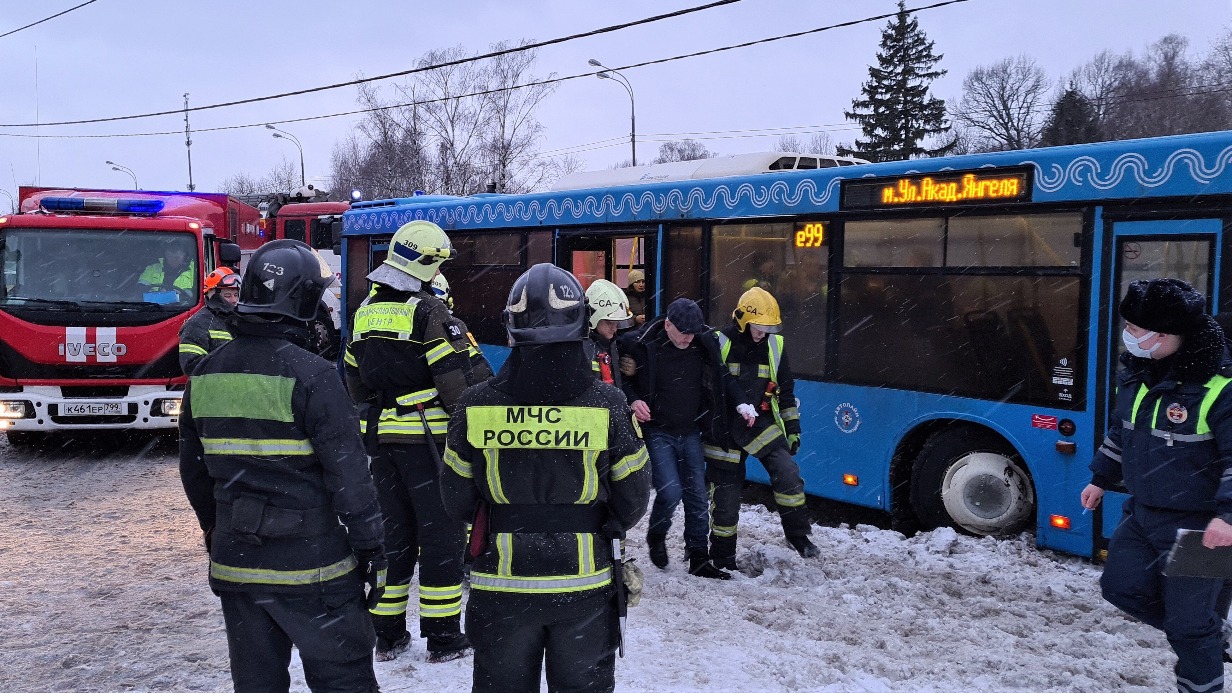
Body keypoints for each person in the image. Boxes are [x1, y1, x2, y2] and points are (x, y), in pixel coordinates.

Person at [178, 239, 386, 693]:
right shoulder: (312, 376)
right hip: (313, 566)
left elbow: (194, 471)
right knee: (343, 678)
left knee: (257, 684)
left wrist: (218, 529)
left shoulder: (205, 376)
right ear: (305, 301)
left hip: (237, 565)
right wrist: (372, 548)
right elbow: (350, 476)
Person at [440, 262, 651, 693]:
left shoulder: (473, 405)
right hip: (585, 586)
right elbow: (632, 500)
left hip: (501, 585)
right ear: (581, 325)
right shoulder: (608, 404)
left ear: (512, 330)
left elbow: (456, 500)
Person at [1080, 278, 1232, 693]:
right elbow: (1122, 432)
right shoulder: (1138, 375)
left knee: (1188, 627)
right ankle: (1205, 630)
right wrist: (1101, 477)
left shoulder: (1220, 388)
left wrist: (1228, 517)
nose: (1129, 336)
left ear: (1165, 335)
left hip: (1204, 530)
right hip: (1144, 512)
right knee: (1120, 588)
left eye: (1135, 329)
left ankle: (1201, 673)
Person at [343, 220, 485, 663]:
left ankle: (386, 634)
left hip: (384, 444)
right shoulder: (430, 311)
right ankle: (443, 637)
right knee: (441, 538)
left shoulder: (364, 311)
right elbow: (454, 386)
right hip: (430, 446)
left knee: (395, 538)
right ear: (425, 263)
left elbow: (353, 380)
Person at [620, 297, 745, 580]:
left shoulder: (702, 343)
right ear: (668, 325)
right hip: (658, 431)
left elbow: (723, 377)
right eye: (683, 332)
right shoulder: (641, 344)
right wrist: (634, 399)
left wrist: (740, 403)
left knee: (698, 496)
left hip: (690, 430)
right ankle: (657, 534)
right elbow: (618, 375)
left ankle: (699, 557)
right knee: (671, 491)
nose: (688, 338)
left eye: (693, 332)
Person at [704, 286, 817, 567]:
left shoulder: (775, 346)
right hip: (723, 428)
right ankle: (722, 556)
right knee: (726, 500)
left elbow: (787, 392)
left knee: (788, 473)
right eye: (757, 326)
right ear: (742, 320)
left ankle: (798, 536)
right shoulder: (719, 341)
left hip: (760, 424)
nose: (762, 333)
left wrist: (793, 430)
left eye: (768, 327)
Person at [178, 266, 240, 375]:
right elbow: (191, 365)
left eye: (236, 295)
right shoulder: (198, 323)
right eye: (227, 296)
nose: (234, 300)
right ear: (212, 295)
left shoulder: (241, 320)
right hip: (214, 389)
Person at [585, 279, 635, 387]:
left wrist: (632, 371)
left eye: (617, 323)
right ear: (594, 319)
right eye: (609, 323)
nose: (614, 328)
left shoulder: (614, 345)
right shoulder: (584, 350)